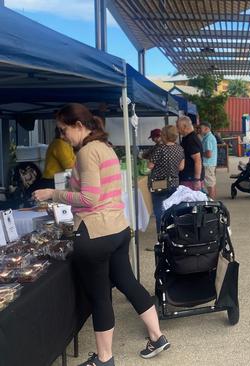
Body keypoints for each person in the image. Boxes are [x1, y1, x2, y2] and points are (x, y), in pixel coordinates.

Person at [32, 103, 169, 366]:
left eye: (64, 130)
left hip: (95, 232)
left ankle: (104, 358)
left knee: (99, 296)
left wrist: (53, 194)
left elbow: (89, 198)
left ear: (79, 126)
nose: (63, 136)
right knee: (128, 282)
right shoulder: (106, 148)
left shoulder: (86, 152)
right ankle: (157, 336)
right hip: (118, 228)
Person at [147, 125, 185, 233]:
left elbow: (150, 166)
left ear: (165, 135)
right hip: (174, 182)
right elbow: (181, 167)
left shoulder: (160, 149)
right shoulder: (180, 148)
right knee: (172, 209)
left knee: (159, 211)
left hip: (159, 183)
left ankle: (161, 236)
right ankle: (173, 234)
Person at [176, 116, 204, 191]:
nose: (177, 130)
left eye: (178, 127)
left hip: (191, 180)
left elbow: (197, 160)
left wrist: (197, 179)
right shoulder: (187, 138)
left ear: (185, 126)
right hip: (188, 178)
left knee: (191, 202)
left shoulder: (191, 140)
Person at [199, 121, 218, 199]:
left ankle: (211, 202)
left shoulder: (208, 139)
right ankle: (212, 201)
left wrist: (199, 154)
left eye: (200, 128)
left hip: (208, 164)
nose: (199, 130)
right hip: (210, 164)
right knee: (211, 183)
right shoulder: (208, 137)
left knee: (210, 184)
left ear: (206, 128)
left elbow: (208, 154)